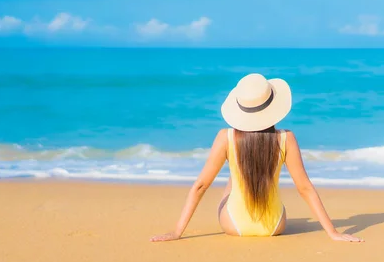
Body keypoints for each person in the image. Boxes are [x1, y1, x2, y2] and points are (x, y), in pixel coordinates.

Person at [150, 73, 364, 242]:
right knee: (257, 178)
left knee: (234, 177)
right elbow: (304, 187)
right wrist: (333, 232)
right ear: (273, 105)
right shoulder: (286, 138)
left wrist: (177, 231)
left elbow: (201, 185)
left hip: (233, 225)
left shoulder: (226, 137)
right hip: (275, 226)